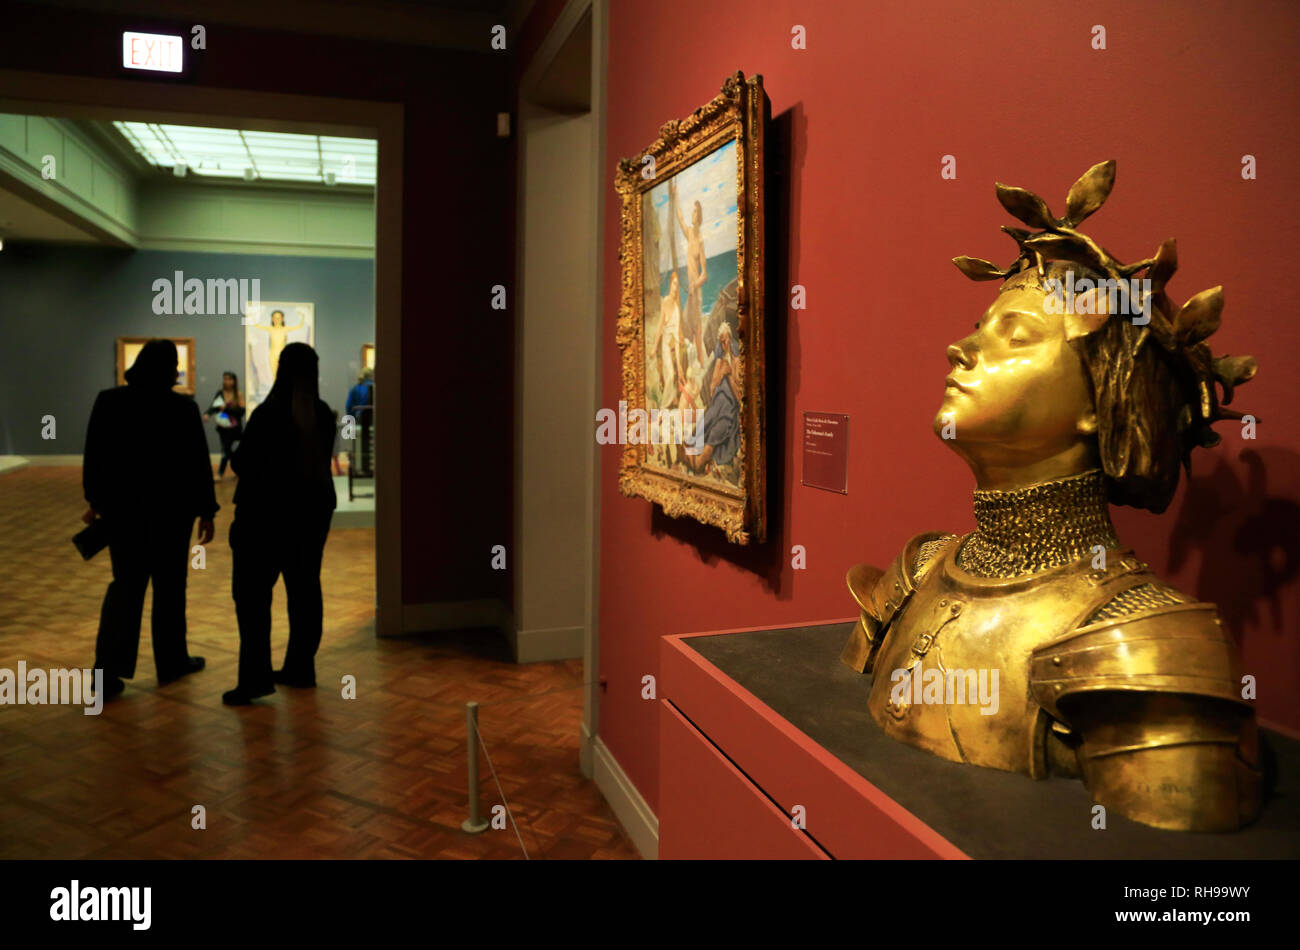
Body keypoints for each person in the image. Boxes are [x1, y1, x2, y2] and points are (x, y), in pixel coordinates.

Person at [82, 339, 216, 700]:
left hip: (124, 514)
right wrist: (207, 510)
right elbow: (197, 464)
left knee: (125, 588)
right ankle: (171, 662)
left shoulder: (109, 401)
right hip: (173, 515)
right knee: (170, 589)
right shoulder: (182, 408)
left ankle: (106, 674)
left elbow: (94, 455)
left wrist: (94, 501)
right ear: (169, 368)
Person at [224, 342, 337, 705]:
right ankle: (300, 668)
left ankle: (255, 678)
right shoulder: (322, 412)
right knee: (304, 592)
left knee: (253, 598)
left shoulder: (268, 413)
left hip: (264, 519)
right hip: (310, 516)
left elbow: (242, 464)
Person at [203, 371, 245, 478]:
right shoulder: (220, 393)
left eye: (229, 379)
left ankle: (220, 473)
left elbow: (241, 411)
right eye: (225, 379)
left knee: (226, 450)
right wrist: (207, 413)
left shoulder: (238, 394)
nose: (226, 381)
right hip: (223, 427)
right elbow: (214, 406)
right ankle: (237, 467)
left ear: (234, 381)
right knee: (226, 450)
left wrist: (227, 408)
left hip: (234, 427)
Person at [250, 308, 304, 379]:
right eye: (275, 317)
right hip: (272, 355)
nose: (277, 319)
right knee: (274, 375)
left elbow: (299, 326)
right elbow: (256, 325)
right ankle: (276, 389)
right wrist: (253, 315)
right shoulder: (270, 328)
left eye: (279, 317)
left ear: (282, 318)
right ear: (272, 319)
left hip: (283, 355)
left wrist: (302, 317)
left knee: (283, 374)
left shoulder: (285, 329)